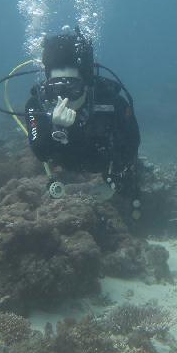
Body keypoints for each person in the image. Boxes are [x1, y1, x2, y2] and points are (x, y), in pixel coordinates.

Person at [23, 29, 141, 216]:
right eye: (56, 89)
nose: (63, 99)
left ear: (87, 84)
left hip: (103, 161)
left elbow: (132, 143)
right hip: (65, 161)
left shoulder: (111, 101)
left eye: (72, 88)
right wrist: (56, 128)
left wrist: (116, 176)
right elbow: (41, 153)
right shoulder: (36, 104)